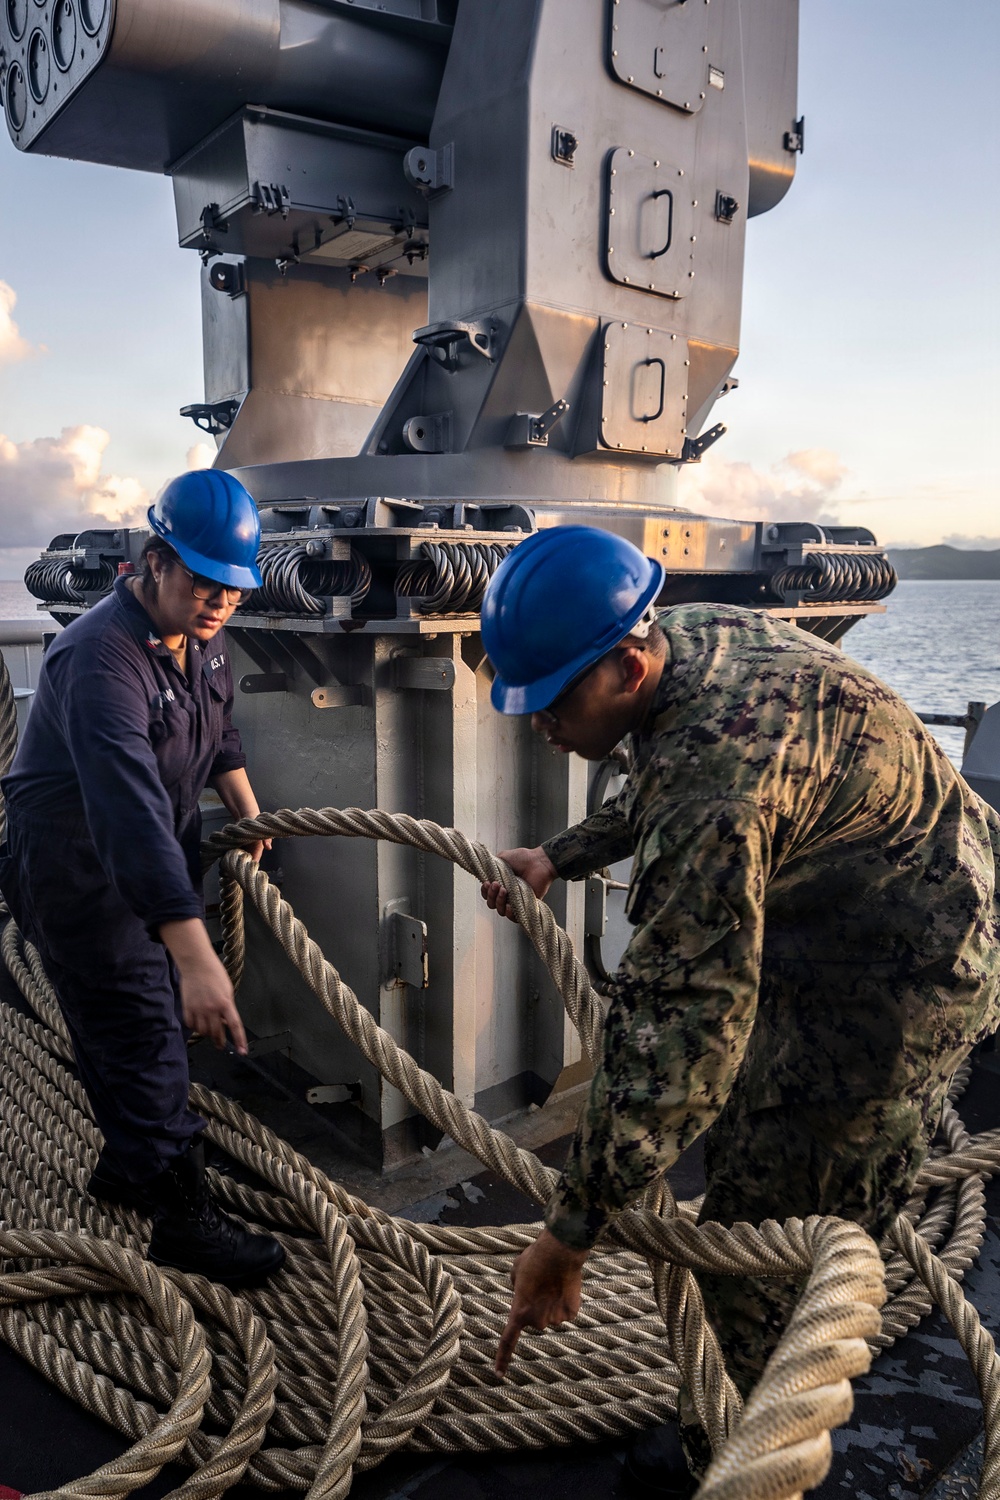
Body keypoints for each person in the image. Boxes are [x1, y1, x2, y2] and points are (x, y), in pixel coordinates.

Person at [477, 525, 1000, 1495]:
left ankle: (736, 1455)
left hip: (901, 982)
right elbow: (661, 779)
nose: (536, 725)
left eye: (550, 701)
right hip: (859, 914)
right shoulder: (683, 640)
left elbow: (680, 1039)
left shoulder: (712, 785)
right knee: (750, 1142)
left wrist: (568, 1233)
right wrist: (560, 854)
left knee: (763, 1244)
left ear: (627, 664)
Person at [0, 469, 286, 1288]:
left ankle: (129, 1166)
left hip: (151, 853)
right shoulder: (97, 659)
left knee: (130, 1022)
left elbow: (218, 724)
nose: (219, 604)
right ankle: (180, 1219)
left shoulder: (202, 637)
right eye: (203, 582)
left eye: (233, 589)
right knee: (142, 1026)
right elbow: (124, 807)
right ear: (155, 562)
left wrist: (246, 808)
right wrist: (197, 957)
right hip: (76, 870)